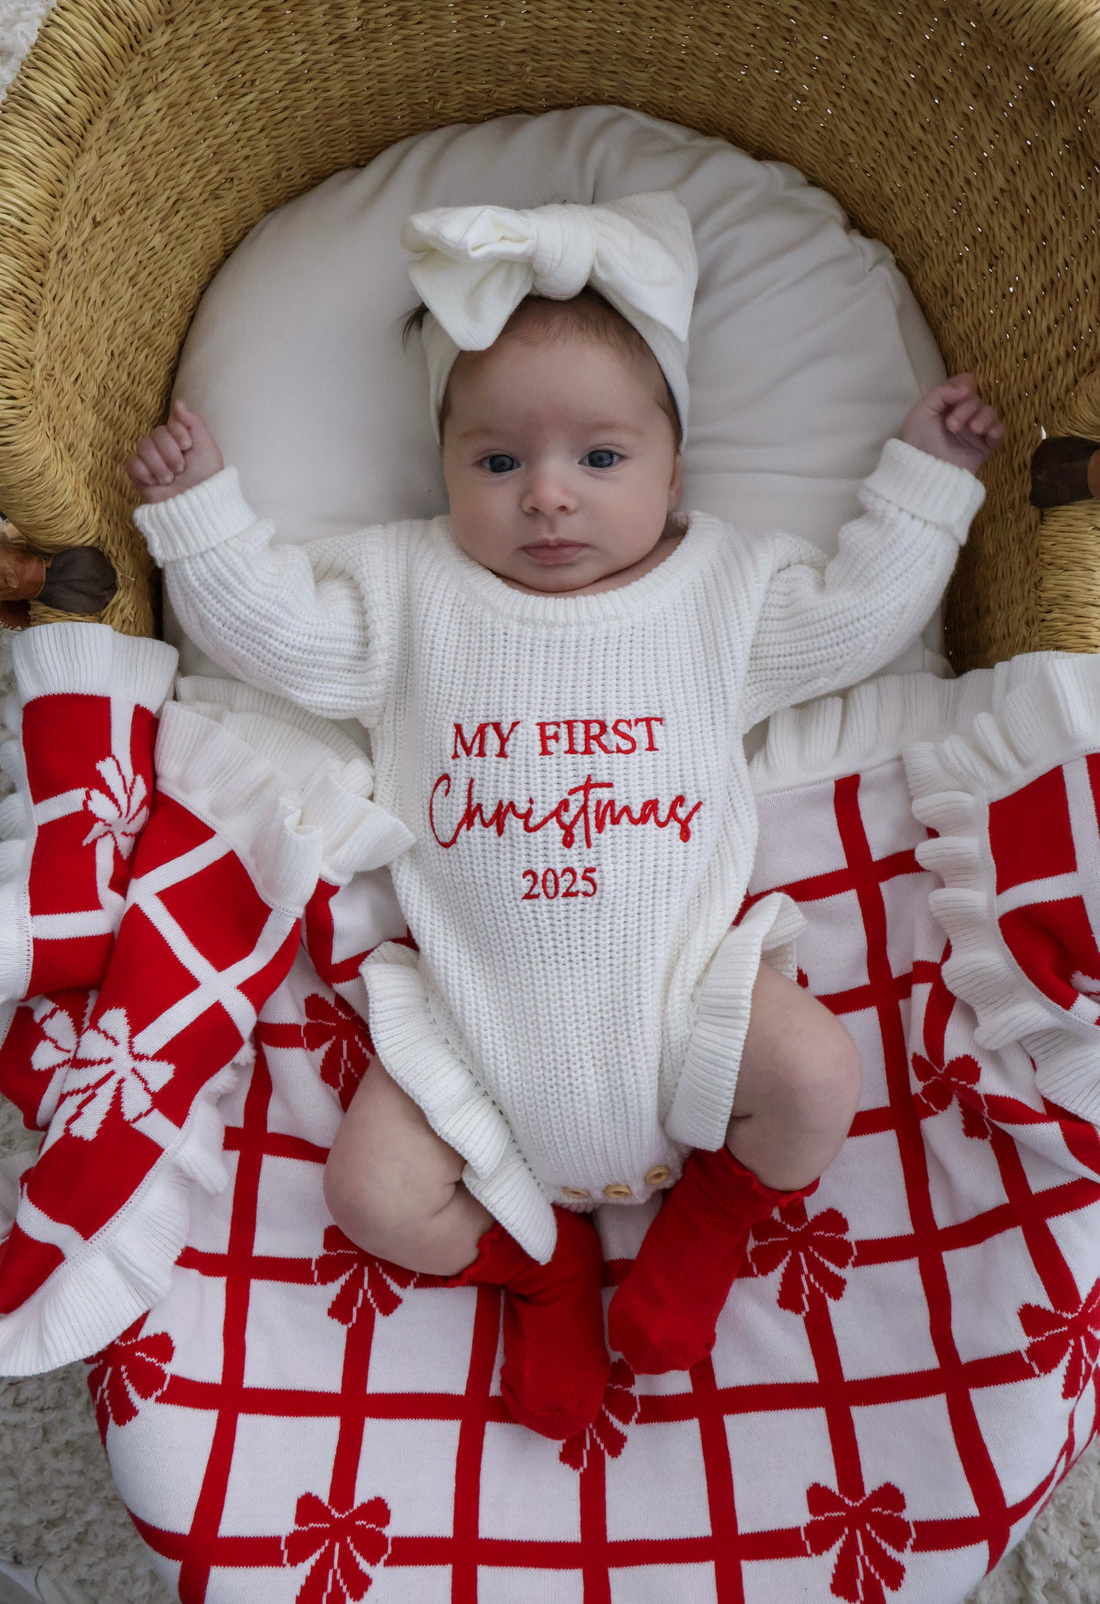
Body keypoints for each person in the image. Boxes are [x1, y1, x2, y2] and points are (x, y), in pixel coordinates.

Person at [126, 193, 1002, 1440]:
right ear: (444, 472)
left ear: (671, 466)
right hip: (473, 1038)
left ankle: (705, 1229)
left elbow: (857, 621)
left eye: (598, 459)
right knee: (369, 1196)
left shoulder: (719, 592)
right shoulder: (410, 590)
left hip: (688, 1002)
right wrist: (202, 515)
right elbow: (274, 639)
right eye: (497, 461)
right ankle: (537, 1268)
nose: (547, 496)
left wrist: (923, 478)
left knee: (814, 1076)